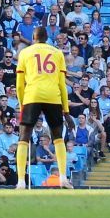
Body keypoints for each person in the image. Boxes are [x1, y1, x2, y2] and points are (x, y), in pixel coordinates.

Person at [14, 24, 70, 189]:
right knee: (58, 137)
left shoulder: (25, 53)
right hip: (53, 97)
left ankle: (21, 182)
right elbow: (62, 84)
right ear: (47, 38)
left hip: (32, 96)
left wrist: (22, 103)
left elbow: (19, 85)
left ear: (33, 37)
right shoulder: (57, 53)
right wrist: (65, 110)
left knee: (23, 138)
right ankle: (63, 178)